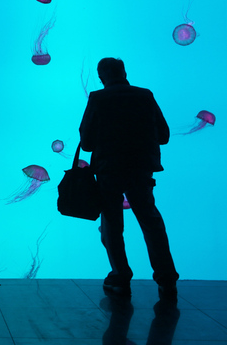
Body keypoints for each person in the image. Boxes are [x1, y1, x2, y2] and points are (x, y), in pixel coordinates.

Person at [79, 58, 179, 300]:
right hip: (140, 168)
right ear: (124, 72)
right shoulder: (145, 96)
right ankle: (166, 279)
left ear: (101, 76)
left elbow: (87, 142)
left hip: (108, 169)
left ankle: (120, 276)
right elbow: (164, 135)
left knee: (112, 224)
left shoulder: (98, 98)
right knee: (150, 221)